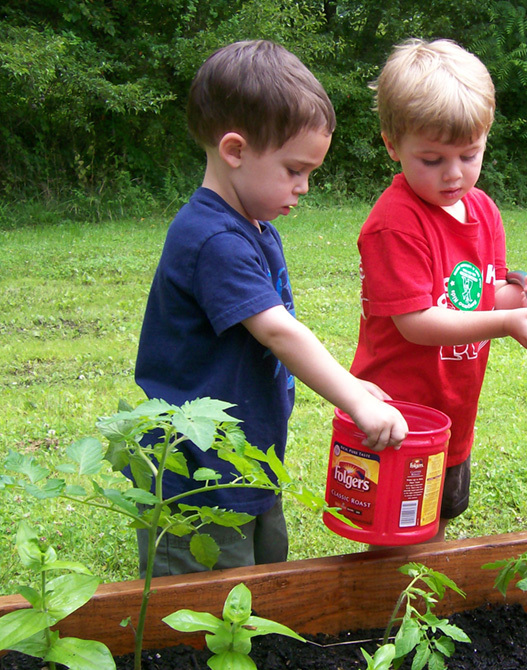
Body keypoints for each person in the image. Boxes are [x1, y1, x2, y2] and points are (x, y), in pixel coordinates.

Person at [134, 40, 408, 576]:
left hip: (247, 458)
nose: (304, 188)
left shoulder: (255, 229)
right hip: (197, 476)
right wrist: (354, 397)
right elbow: (279, 332)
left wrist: (348, 383)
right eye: (293, 170)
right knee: (206, 604)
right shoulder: (214, 239)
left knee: (262, 582)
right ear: (234, 150)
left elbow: (279, 330)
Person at [349, 38, 527, 542]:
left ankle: (425, 618)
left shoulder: (483, 211)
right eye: (432, 159)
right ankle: (394, 619)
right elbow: (417, 322)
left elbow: (484, 298)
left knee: (435, 524)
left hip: (452, 415)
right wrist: (505, 323)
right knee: (394, 535)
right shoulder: (395, 224)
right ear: (392, 145)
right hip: (396, 417)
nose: (454, 174)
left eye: (470, 155)